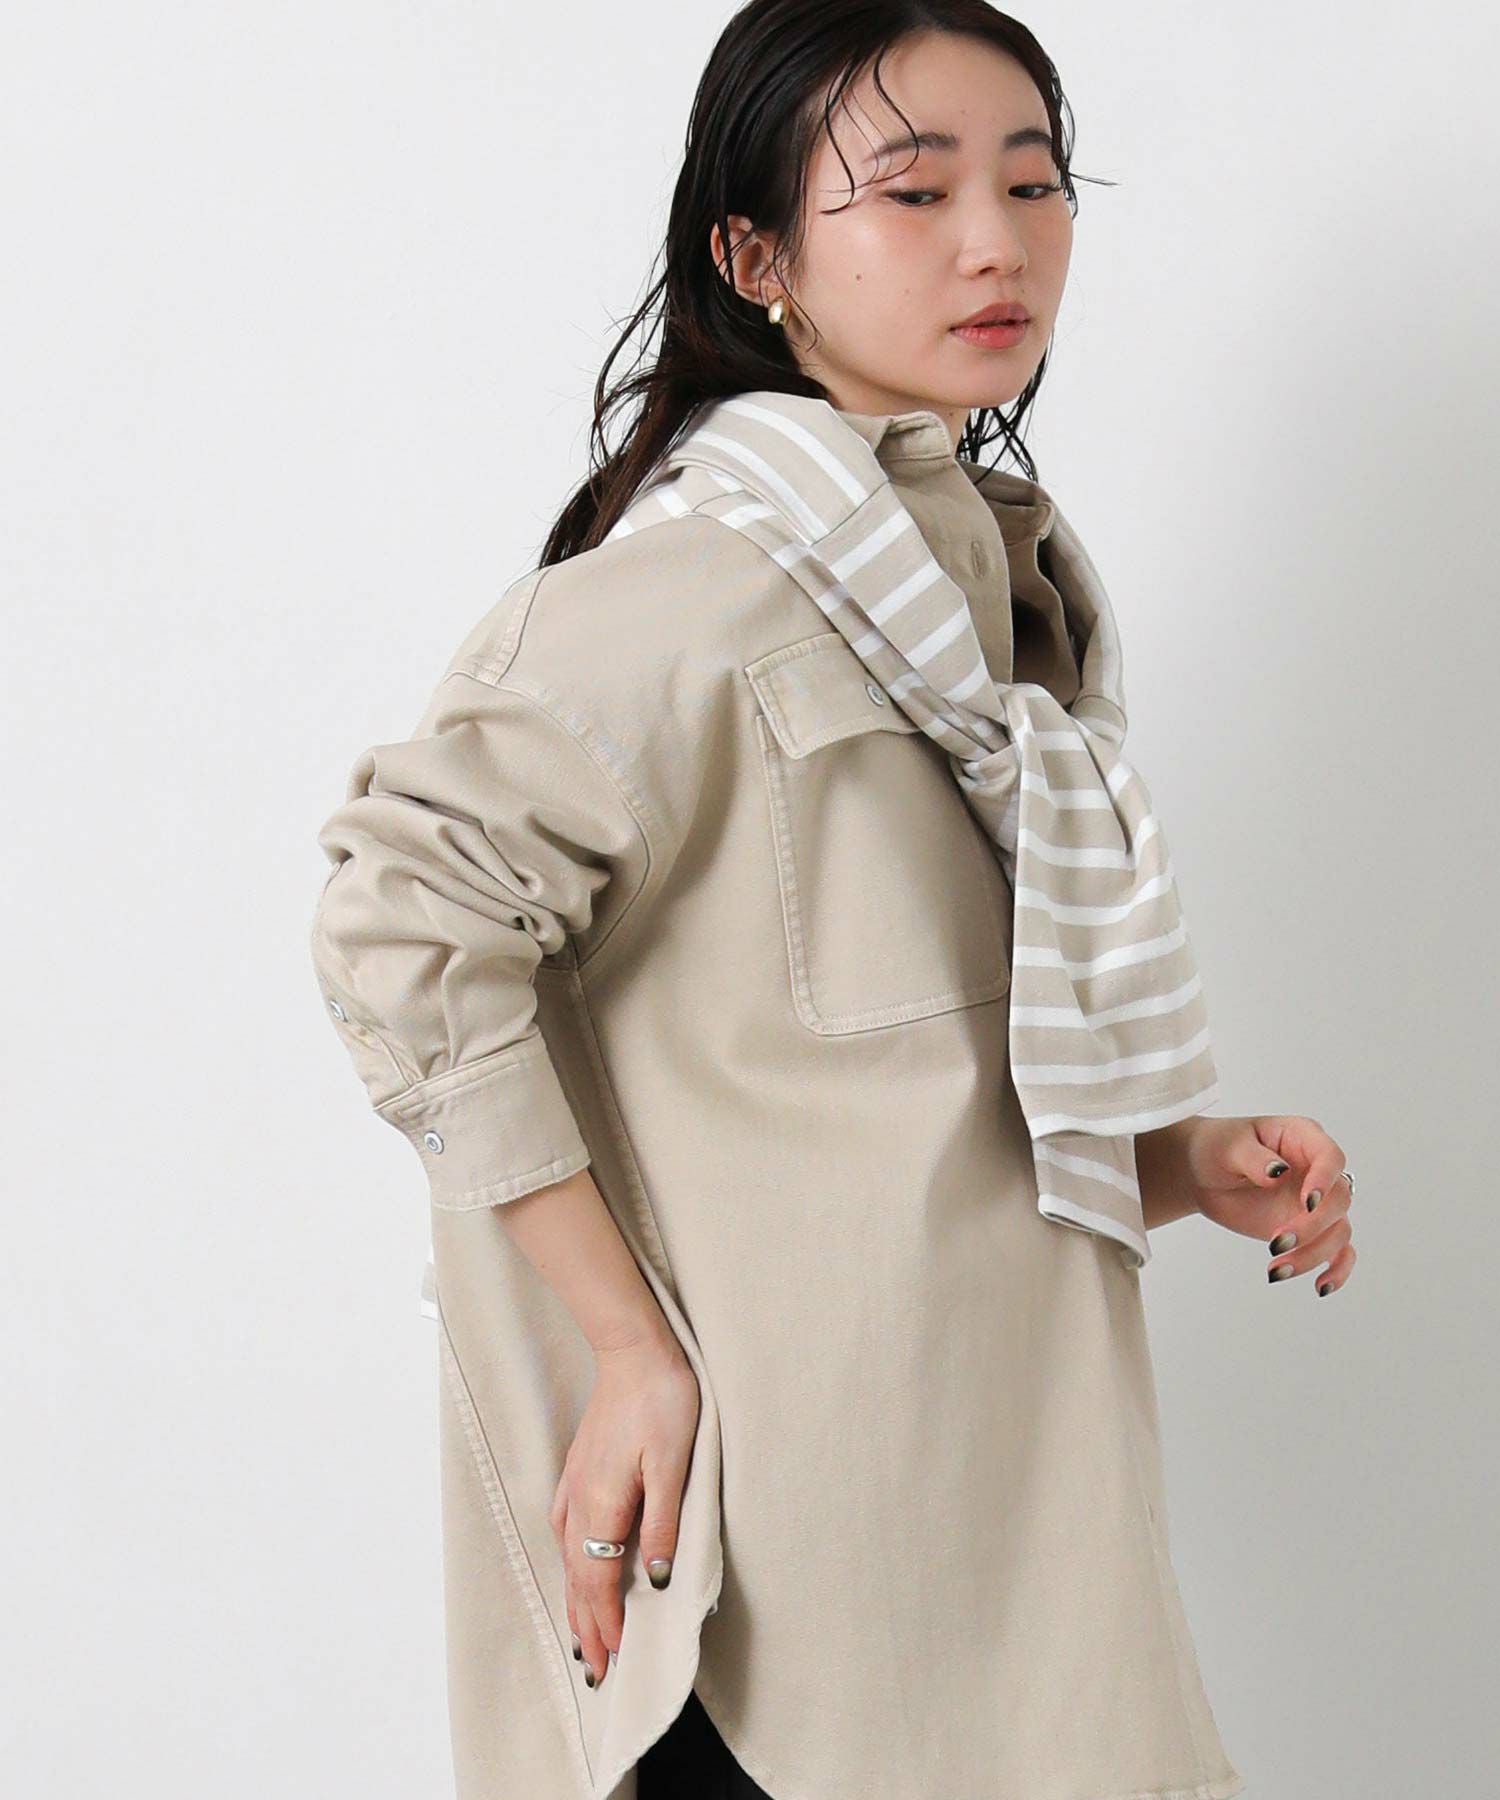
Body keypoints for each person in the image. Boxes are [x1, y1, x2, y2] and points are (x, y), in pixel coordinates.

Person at [307, 6, 1358, 1798]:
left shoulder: (983, 600)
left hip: (1021, 1533)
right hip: (787, 1595)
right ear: (756, 257)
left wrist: (1179, 1158)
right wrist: (622, 1348)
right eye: (914, 191)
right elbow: (400, 931)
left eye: (1035, 182)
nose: (995, 242)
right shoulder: (683, 599)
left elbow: (908, 1072)